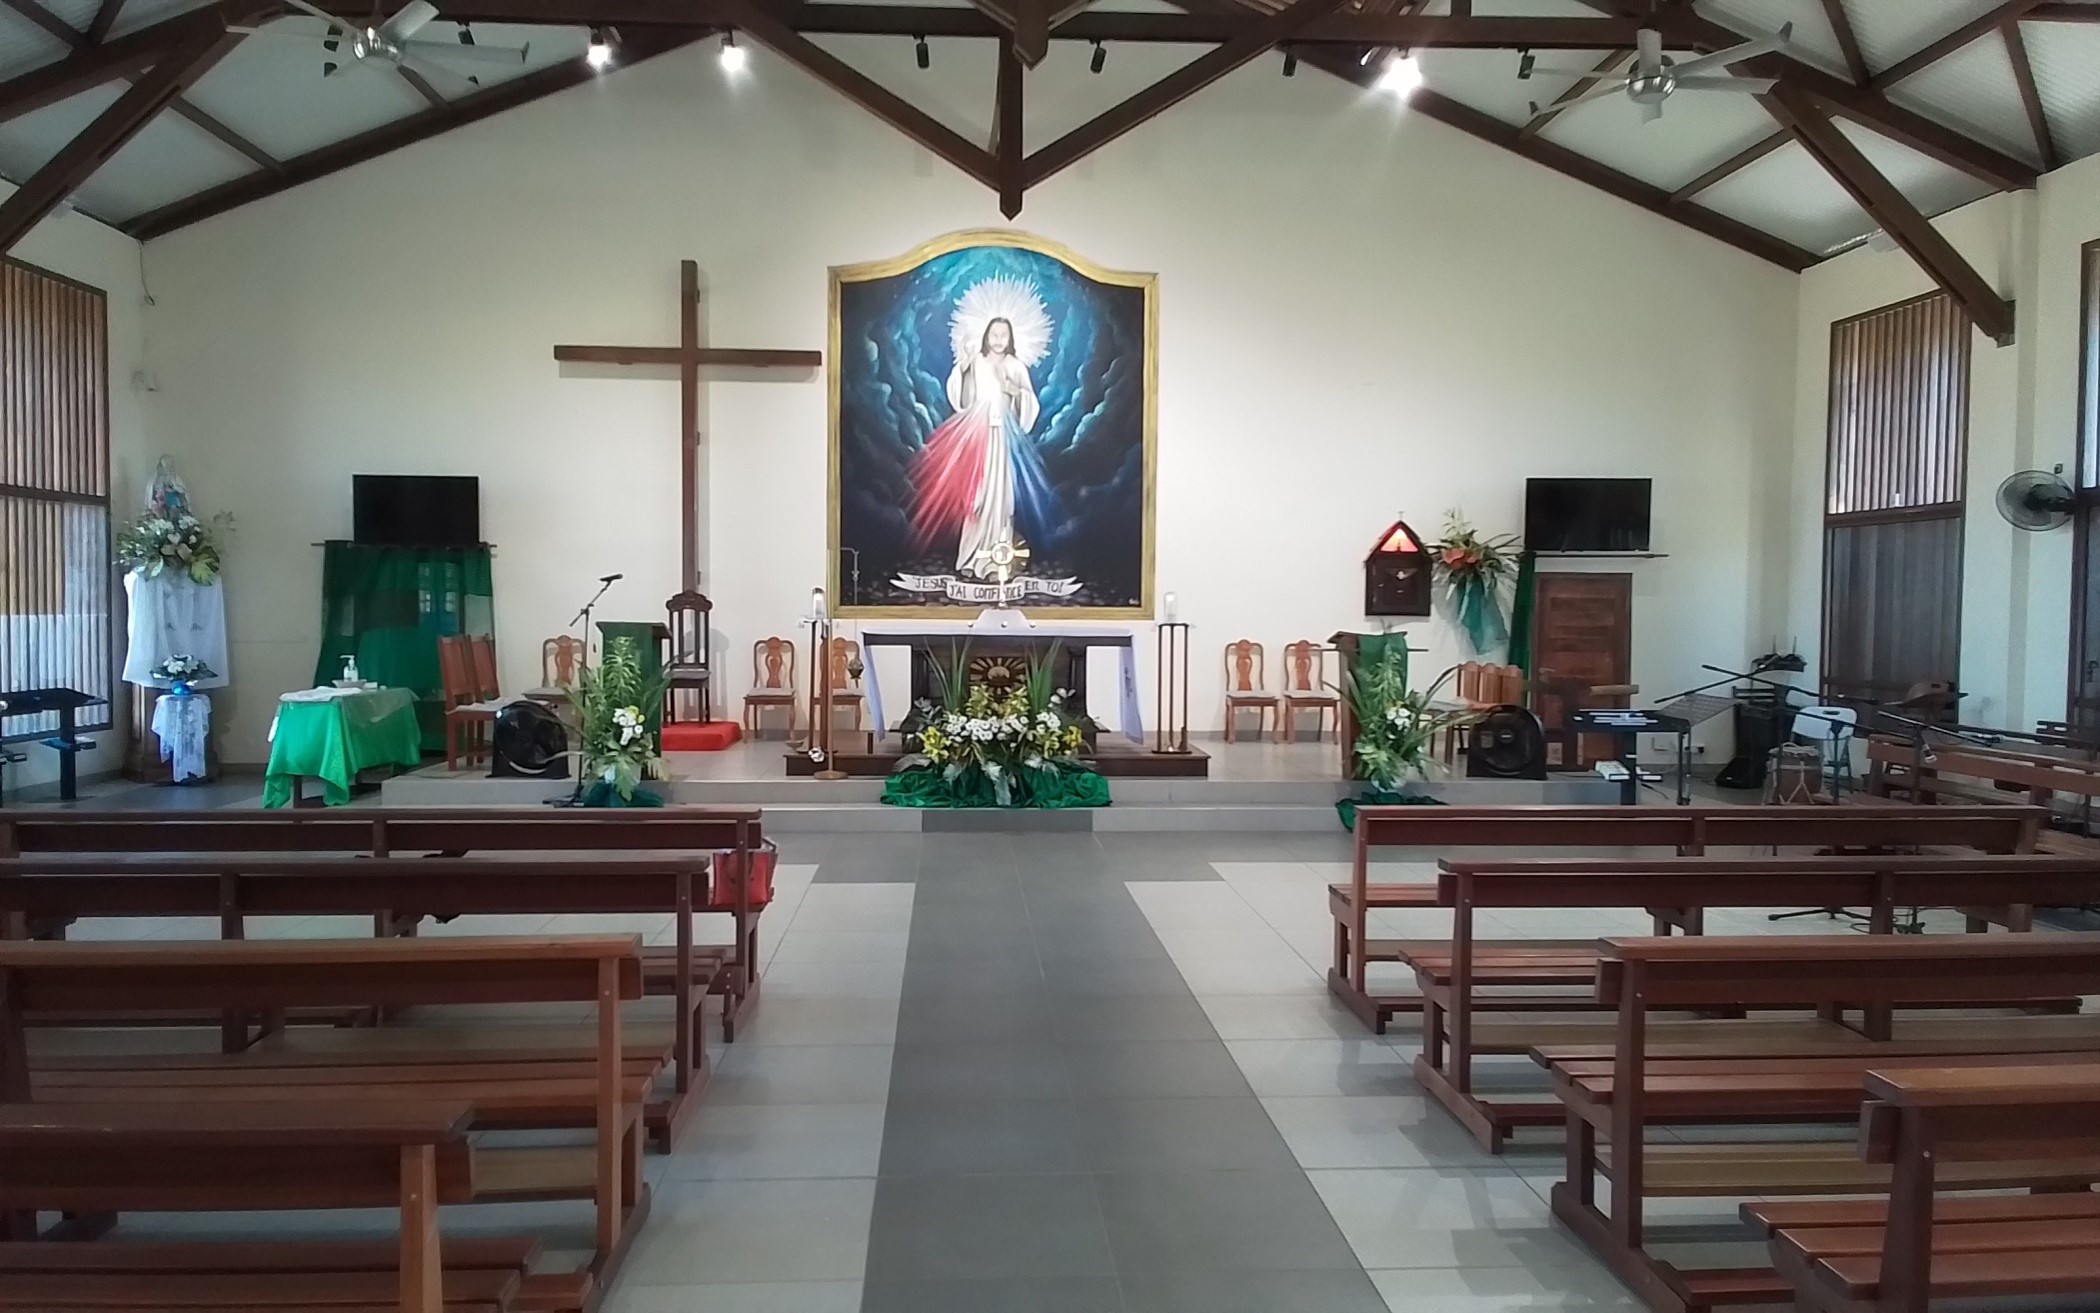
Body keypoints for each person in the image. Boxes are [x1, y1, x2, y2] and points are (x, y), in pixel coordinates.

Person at [909, 316, 1044, 580]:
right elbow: (963, 398)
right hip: (977, 435)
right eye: (994, 334)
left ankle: (997, 562)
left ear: (1011, 338)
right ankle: (972, 556)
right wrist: (963, 367)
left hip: (1002, 439)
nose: (998, 340)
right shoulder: (978, 363)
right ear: (986, 336)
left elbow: (1030, 403)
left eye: (1003, 335)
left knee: (1000, 498)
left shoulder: (1015, 366)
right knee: (977, 496)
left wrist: (1015, 392)